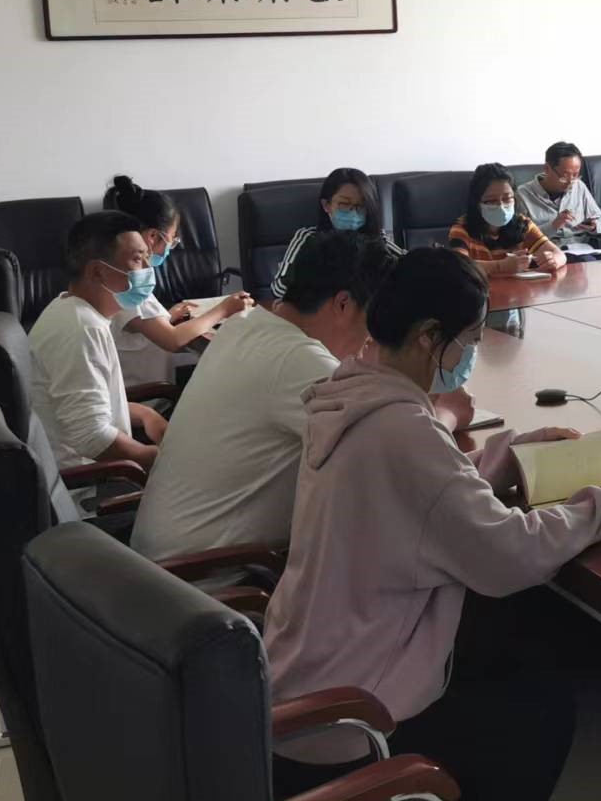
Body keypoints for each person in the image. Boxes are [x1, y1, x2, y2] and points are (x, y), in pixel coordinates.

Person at [265, 247, 601, 801]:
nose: (470, 354)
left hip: (299, 681)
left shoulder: (347, 394)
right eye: (468, 340)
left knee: (506, 659)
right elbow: (511, 557)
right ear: (429, 336)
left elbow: (423, 495)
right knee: (541, 712)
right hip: (351, 720)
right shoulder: (403, 432)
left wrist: (510, 454)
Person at [127, 232, 394, 563]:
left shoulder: (244, 325)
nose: (371, 339)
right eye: (374, 321)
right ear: (343, 304)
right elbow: (392, 460)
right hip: (213, 581)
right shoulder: (300, 361)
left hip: (152, 565)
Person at [28, 210, 164, 470]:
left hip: (104, 467)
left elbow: (91, 404)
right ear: (98, 272)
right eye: (138, 259)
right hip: (91, 481)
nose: (148, 269)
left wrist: (147, 414)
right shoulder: (82, 329)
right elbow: (92, 438)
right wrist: (163, 460)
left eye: (147, 258)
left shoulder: (70, 309)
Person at [103, 176, 253, 385]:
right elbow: (173, 340)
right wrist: (224, 309)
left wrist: (167, 316)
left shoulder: (113, 275)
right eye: (172, 239)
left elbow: (140, 325)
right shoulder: (128, 287)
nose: (171, 247)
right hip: (144, 396)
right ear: (152, 236)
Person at [272, 167, 397, 299]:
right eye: (344, 204)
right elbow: (279, 288)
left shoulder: (377, 238)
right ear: (326, 205)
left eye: (360, 206)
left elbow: (408, 267)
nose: (353, 212)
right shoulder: (308, 237)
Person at [448, 163, 567, 277]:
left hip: (521, 289)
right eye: (491, 201)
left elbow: (559, 254)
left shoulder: (523, 224)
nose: (501, 206)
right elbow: (459, 266)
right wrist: (500, 266)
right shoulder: (462, 228)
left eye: (507, 199)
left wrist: (553, 260)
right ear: (477, 203)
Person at [515, 142, 601, 248]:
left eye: (575, 175)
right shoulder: (523, 195)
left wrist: (594, 226)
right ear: (547, 169)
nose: (571, 182)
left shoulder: (579, 186)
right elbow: (520, 239)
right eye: (564, 176)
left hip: (583, 248)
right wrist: (553, 225)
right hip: (548, 251)